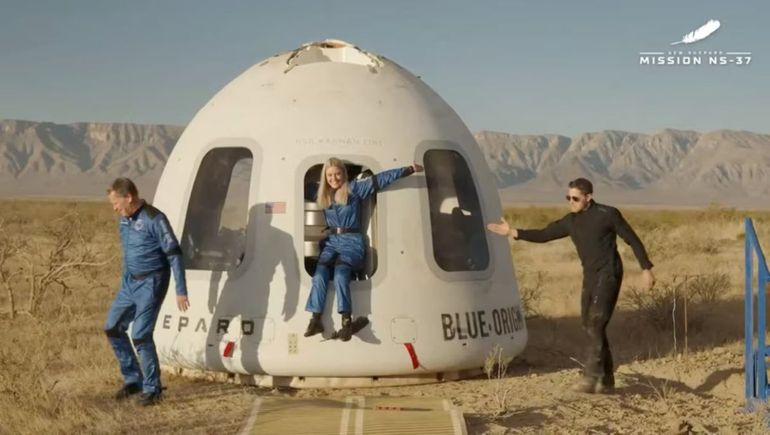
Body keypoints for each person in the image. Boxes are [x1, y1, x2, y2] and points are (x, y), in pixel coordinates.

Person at [487, 178, 655, 394]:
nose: (571, 202)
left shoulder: (608, 214)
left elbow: (633, 240)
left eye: (575, 198)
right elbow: (544, 235)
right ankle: (607, 379)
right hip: (591, 276)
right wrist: (513, 232)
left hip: (609, 274)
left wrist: (646, 268)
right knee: (588, 324)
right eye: (568, 198)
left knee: (596, 323)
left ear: (588, 197)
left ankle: (590, 377)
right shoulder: (571, 221)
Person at [304, 158, 423, 341]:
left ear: (343, 174)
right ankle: (316, 318)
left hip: (351, 241)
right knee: (319, 275)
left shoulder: (355, 189)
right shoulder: (322, 194)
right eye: (329, 175)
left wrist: (408, 169)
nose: (334, 178)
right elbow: (294, 186)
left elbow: (381, 179)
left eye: (337, 174)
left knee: (341, 274)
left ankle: (346, 320)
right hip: (332, 242)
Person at [104, 178, 189, 406]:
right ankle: (134, 379)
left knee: (140, 334)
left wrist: (180, 290)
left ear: (128, 197)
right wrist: (125, 282)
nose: (114, 208)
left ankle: (153, 389)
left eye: (116, 202)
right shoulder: (124, 221)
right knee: (112, 327)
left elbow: (174, 254)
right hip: (130, 283)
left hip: (152, 282)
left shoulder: (154, 218)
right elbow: (128, 255)